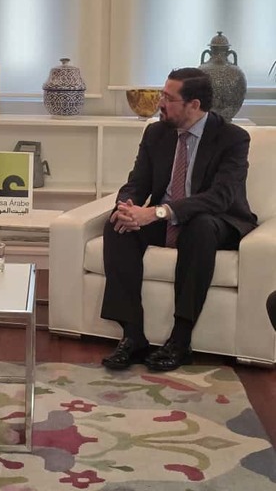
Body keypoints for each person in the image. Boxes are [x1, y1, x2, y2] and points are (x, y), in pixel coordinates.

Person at [101, 67, 257, 372]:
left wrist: (158, 212)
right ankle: (133, 336)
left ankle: (180, 341)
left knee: (199, 228)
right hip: (168, 219)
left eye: (168, 98)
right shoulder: (156, 132)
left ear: (194, 105)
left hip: (216, 220)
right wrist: (127, 207)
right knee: (117, 226)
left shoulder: (232, 138)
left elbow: (220, 197)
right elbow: (137, 183)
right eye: (162, 94)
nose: (160, 103)